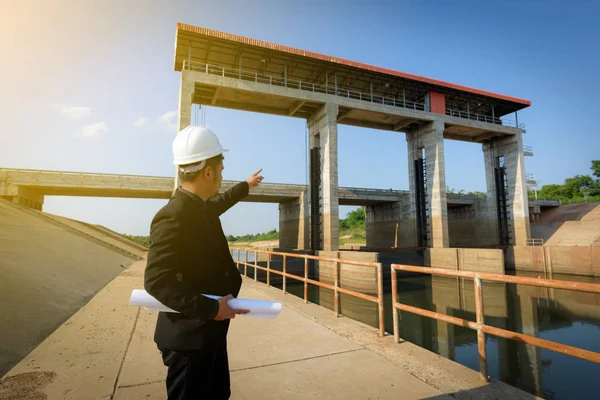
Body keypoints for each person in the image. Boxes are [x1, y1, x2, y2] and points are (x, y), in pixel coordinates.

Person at [144, 125, 264, 399]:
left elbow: (222, 201)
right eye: (220, 169)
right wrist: (211, 308)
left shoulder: (199, 207)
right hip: (190, 339)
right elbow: (156, 281)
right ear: (208, 172)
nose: (222, 175)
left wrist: (246, 185)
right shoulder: (172, 216)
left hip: (209, 332)